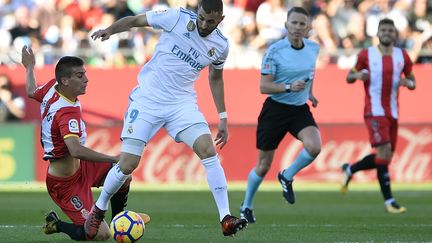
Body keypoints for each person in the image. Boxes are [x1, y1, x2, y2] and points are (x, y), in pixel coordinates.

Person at [85, 0, 247, 238]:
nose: (203, 24)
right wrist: (110, 30)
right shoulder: (177, 18)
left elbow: (215, 78)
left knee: (207, 149)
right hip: (148, 99)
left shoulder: (221, 46)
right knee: (128, 164)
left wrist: (223, 116)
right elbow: (135, 20)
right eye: (201, 17)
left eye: (210, 21)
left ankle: (225, 217)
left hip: (181, 104)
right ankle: (98, 210)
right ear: (197, 12)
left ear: (220, 20)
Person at [21, 46, 150, 241]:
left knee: (123, 174)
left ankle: (119, 220)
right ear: (65, 80)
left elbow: (31, 91)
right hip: (65, 184)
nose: (86, 79)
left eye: (85, 74)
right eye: (80, 76)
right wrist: (114, 157)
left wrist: (29, 67)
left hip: (84, 169)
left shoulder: (52, 88)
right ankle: (57, 224)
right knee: (99, 233)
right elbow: (75, 150)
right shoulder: (66, 112)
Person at [240, 6, 321, 223]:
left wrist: (310, 93)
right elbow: (264, 87)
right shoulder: (274, 51)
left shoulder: (313, 48)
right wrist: (288, 87)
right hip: (275, 109)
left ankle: (287, 175)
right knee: (263, 165)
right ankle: (246, 206)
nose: (297, 27)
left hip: (298, 109)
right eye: (293, 23)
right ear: (286, 25)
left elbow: (309, 72)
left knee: (314, 146)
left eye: (301, 24)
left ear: (307, 27)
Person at [341, 18, 416, 214]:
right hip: (373, 111)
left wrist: (408, 84)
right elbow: (349, 76)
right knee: (384, 153)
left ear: (395, 34)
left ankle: (350, 169)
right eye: (383, 30)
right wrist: (357, 76)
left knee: (386, 157)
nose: (387, 33)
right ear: (377, 33)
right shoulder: (366, 54)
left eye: (390, 30)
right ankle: (389, 202)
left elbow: (412, 81)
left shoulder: (403, 56)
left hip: (393, 112)